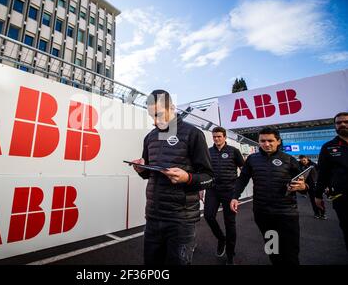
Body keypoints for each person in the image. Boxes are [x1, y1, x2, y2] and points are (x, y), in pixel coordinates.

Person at [131, 89, 214, 265]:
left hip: (181, 220)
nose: (155, 121)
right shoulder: (149, 137)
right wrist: (141, 169)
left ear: (173, 108)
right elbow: (149, 174)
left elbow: (208, 177)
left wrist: (187, 178)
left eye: (159, 114)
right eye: (151, 116)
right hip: (153, 217)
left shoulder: (193, 134)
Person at [230, 127, 308, 265]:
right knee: (272, 248)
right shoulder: (252, 159)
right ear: (259, 142)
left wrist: (303, 187)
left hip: (286, 213)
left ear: (278, 141)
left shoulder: (289, 159)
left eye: (270, 140)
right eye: (263, 141)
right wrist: (235, 196)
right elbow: (242, 179)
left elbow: (304, 184)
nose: (266, 144)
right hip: (263, 213)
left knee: (290, 251)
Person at [204, 126, 244, 265]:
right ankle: (221, 239)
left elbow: (243, 170)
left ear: (225, 137)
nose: (216, 139)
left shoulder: (234, 151)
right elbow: (204, 171)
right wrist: (201, 188)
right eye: (214, 137)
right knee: (208, 216)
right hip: (212, 190)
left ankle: (230, 254)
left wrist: (237, 188)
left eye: (219, 136)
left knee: (230, 224)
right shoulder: (208, 152)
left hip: (230, 191)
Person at [315, 112, 348, 251]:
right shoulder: (328, 147)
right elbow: (322, 173)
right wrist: (317, 196)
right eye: (338, 122)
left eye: (346, 121)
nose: (342, 124)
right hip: (343, 199)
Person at [298, 155, 325, 219]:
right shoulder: (299, 165)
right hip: (308, 186)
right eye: (301, 161)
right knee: (313, 200)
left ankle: (323, 213)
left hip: (316, 185)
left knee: (320, 200)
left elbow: (320, 174)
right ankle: (316, 213)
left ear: (307, 159)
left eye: (304, 160)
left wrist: (322, 184)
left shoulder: (313, 164)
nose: (303, 162)